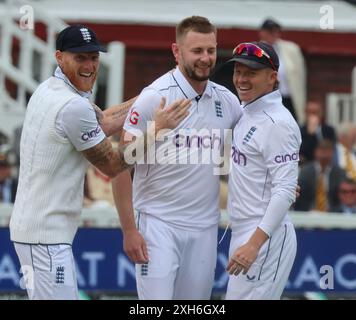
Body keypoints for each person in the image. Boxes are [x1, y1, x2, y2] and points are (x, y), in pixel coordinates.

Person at [9, 24, 190, 300]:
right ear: (59, 57)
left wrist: (154, 93)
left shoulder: (50, 88)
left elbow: (102, 122)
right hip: (45, 237)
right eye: (80, 57)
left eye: (94, 57)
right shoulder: (72, 106)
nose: (90, 65)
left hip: (36, 232)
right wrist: (156, 130)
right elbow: (114, 165)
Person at [112, 16, 243, 300]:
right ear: (176, 51)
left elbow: (250, 151)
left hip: (205, 228)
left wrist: (277, 179)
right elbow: (119, 166)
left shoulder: (227, 101)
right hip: (157, 225)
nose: (206, 58)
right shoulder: (154, 97)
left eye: (211, 50)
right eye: (197, 51)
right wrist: (129, 230)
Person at [225, 42, 301, 299]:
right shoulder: (248, 111)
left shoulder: (277, 122)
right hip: (246, 231)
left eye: (251, 73)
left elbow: (286, 189)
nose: (241, 79)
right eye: (238, 71)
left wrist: (254, 244)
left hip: (263, 236)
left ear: (272, 77)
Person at [259, 18, 306, 123]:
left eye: (276, 31)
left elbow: (301, 78)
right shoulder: (256, 50)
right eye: (270, 31)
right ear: (262, 32)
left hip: (289, 98)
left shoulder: (292, 49)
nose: (274, 34)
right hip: (268, 99)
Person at [294, 139, 347, 212]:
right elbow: (300, 197)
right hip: (308, 214)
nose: (324, 154)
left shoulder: (340, 173)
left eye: (327, 150)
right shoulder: (305, 171)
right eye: (322, 150)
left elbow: (342, 198)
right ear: (316, 152)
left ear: (333, 153)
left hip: (333, 215)